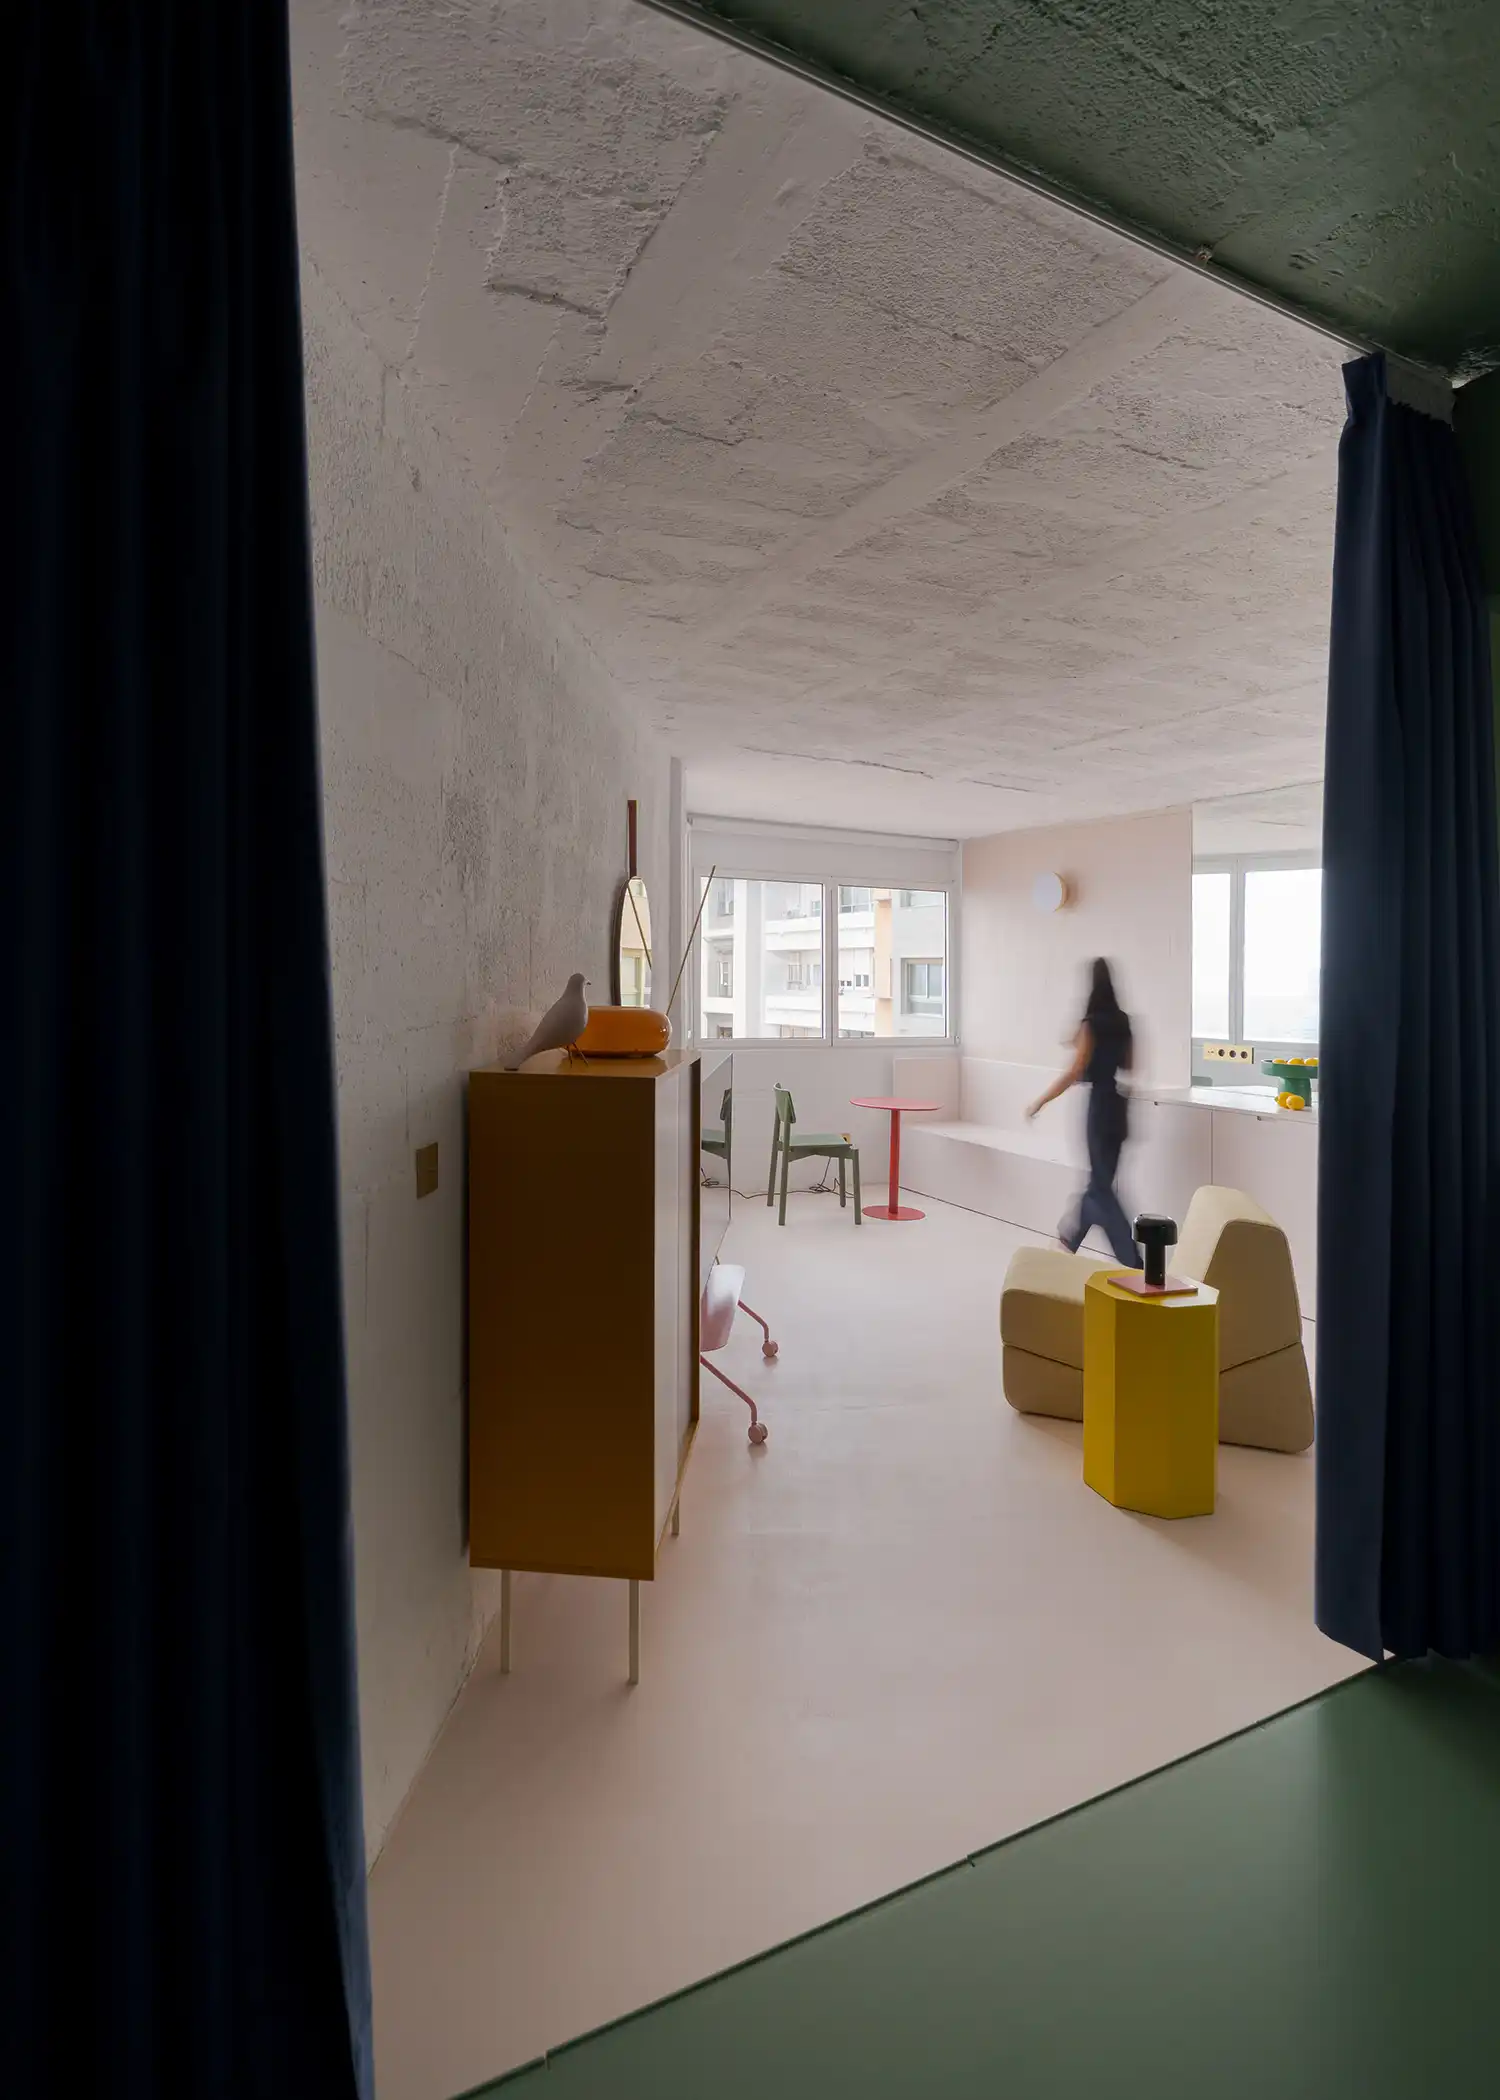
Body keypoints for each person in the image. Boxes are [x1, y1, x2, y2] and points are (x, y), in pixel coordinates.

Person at [1026, 958, 1142, 1267]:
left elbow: (1075, 1070)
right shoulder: (1123, 1021)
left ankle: (1133, 1261)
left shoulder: (1090, 1023)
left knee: (1101, 1188)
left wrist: (1042, 1100)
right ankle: (1069, 1238)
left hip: (1099, 1108)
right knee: (1100, 1182)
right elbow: (1130, 1065)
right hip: (1119, 1106)